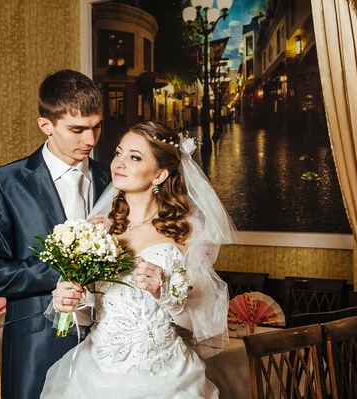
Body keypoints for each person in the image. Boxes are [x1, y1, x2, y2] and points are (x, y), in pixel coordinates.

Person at [41, 121, 234, 398]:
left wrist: (165, 292)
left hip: (165, 375)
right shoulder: (97, 230)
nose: (119, 163)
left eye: (135, 157)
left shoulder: (186, 232)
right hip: (95, 373)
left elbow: (201, 323)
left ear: (159, 175)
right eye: (119, 153)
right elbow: (85, 318)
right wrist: (71, 301)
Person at [0, 69, 111, 398]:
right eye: (77, 129)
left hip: (110, 346)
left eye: (96, 126)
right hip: (38, 347)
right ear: (45, 125)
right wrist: (62, 269)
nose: (90, 140)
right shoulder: (5, 183)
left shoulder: (114, 180)